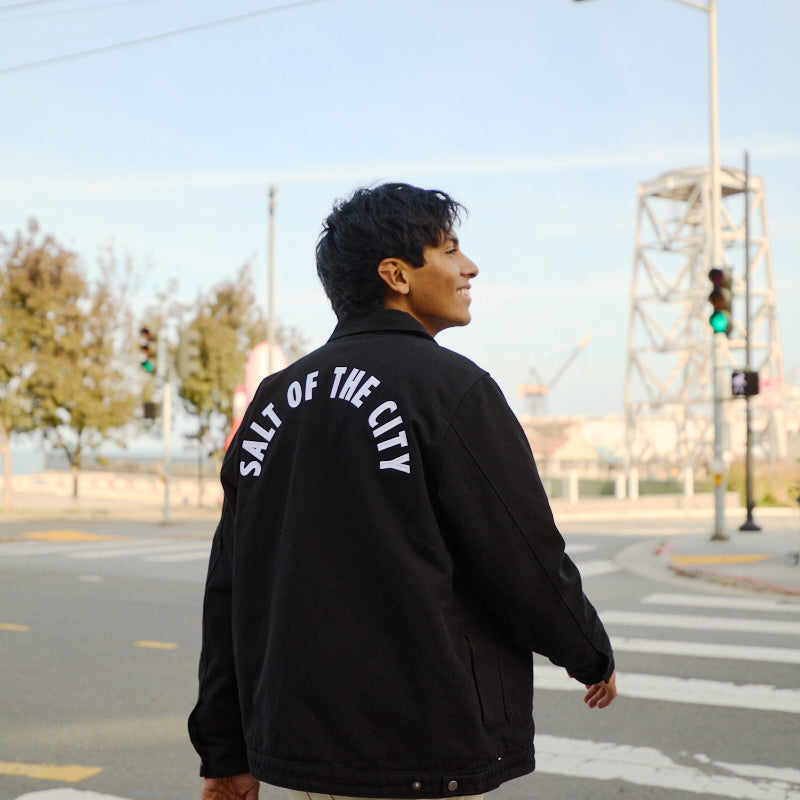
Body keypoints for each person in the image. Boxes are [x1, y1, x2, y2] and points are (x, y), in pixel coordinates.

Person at [188, 183, 617, 800]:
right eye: (448, 250)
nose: (469, 266)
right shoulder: (451, 388)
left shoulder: (271, 402)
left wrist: (225, 750)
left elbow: (229, 588)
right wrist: (588, 652)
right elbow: (521, 555)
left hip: (303, 752)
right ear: (397, 275)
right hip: (422, 750)